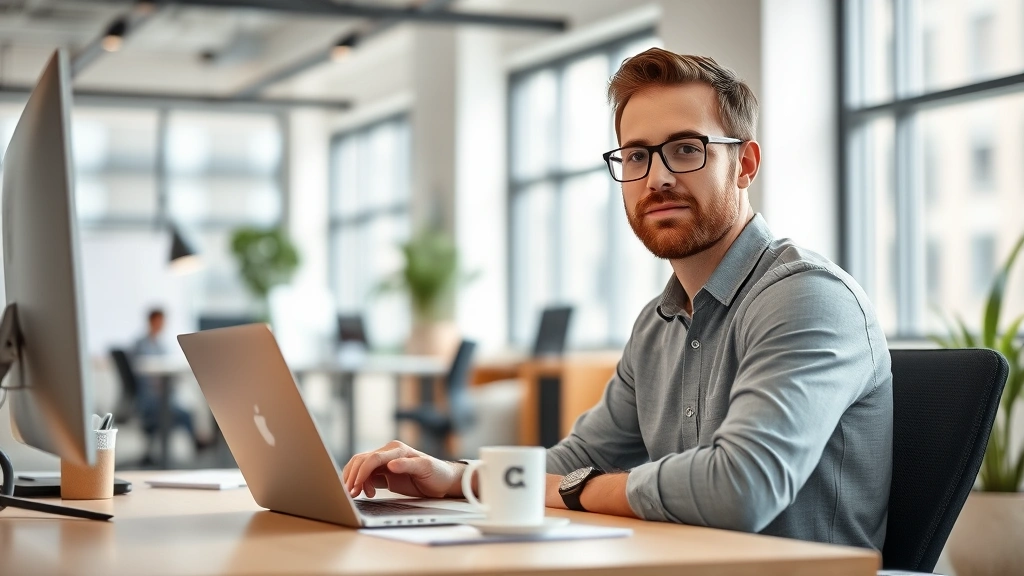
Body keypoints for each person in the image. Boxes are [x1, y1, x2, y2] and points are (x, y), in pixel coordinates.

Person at [342, 49, 893, 550]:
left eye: (686, 150)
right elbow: (579, 460)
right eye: (636, 157)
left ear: (745, 164)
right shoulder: (658, 323)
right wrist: (455, 478)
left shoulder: (807, 298)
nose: (657, 178)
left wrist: (578, 491)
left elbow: (740, 489)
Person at [132, 308, 202, 452]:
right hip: (150, 399)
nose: (160, 325)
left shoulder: (161, 345)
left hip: (163, 396)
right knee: (185, 414)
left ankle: (198, 445)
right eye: (158, 321)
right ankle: (197, 446)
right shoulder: (141, 345)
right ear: (150, 322)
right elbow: (144, 376)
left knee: (188, 409)